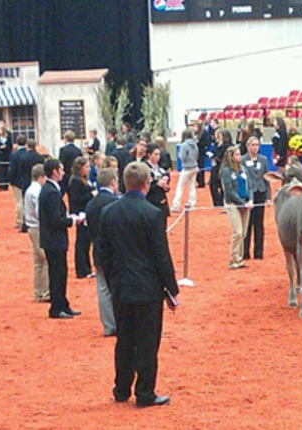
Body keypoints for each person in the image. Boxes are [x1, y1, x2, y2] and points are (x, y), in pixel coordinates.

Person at [99, 161, 179, 408]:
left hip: (121, 286)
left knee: (124, 339)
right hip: (148, 289)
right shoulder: (152, 213)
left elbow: (102, 253)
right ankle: (145, 392)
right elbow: (161, 256)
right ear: (147, 184)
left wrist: (113, 280)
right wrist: (171, 289)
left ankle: (121, 388)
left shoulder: (108, 212)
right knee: (147, 341)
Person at [39, 159, 84, 319]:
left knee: (60, 273)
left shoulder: (50, 190)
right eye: (61, 170)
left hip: (53, 239)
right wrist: (72, 220)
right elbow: (55, 220)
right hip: (54, 240)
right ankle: (57, 307)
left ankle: (62, 304)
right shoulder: (50, 192)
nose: (63, 173)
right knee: (57, 273)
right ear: (55, 171)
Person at [85, 168, 119, 337]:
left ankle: (108, 325)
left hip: (98, 251)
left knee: (103, 289)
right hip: (115, 252)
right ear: (113, 182)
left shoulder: (91, 204)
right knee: (117, 287)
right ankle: (119, 323)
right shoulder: (115, 202)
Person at [221, 146, 253, 269]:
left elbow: (249, 186)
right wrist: (241, 203)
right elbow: (229, 191)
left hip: (245, 203)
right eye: (237, 154)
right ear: (231, 157)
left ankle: (239, 258)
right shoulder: (226, 171)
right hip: (233, 204)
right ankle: (233, 259)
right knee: (238, 232)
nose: (240, 156)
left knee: (243, 233)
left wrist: (250, 200)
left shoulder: (243, 169)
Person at [242, 137, 270, 260]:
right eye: (252, 145)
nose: (255, 147)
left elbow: (267, 178)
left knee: (259, 224)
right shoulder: (242, 160)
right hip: (248, 195)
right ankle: (245, 252)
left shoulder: (263, 160)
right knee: (247, 224)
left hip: (260, 193)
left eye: (257, 145)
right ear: (248, 146)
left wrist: (268, 197)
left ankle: (259, 253)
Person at [24, 164, 50, 303]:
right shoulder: (37, 191)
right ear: (41, 177)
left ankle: (39, 291)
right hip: (38, 227)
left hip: (31, 227)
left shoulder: (30, 189)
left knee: (38, 261)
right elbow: (41, 212)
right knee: (46, 259)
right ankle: (46, 291)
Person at [68, 156, 95, 279]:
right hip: (80, 214)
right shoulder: (75, 181)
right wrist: (91, 195)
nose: (89, 169)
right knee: (82, 242)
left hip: (86, 213)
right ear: (80, 168)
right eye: (87, 166)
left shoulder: (84, 180)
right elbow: (76, 199)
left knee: (86, 241)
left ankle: (86, 267)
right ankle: (82, 269)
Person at [171, 129, 198, 213]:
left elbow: (182, 157)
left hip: (186, 168)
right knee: (192, 186)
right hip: (194, 166)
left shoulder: (184, 145)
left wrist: (180, 155)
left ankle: (176, 205)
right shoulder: (195, 144)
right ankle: (192, 203)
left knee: (180, 186)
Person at [145, 143, 170, 220]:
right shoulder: (145, 168)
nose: (158, 157)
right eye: (155, 154)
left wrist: (166, 183)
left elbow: (167, 176)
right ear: (149, 155)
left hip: (162, 201)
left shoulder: (160, 168)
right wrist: (157, 184)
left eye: (159, 154)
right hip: (151, 201)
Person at [8, 136, 28, 230]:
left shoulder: (14, 155)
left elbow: (12, 170)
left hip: (17, 181)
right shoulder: (27, 153)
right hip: (28, 181)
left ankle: (20, 221)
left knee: (19, 202)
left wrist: (11, 181)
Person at [209, 129, 232, 207]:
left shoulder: (228, 146)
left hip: (224, 167)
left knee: (223, 185)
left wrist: (217, 153)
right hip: (216, 167)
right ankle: (217, 202)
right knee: (213, 185)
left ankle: (222, 202)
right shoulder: (217, 144)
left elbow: (222, 156)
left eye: (221, 136)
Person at [58, 130, 82, 195]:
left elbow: (61, 164)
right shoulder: (78, 150)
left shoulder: (63, 150)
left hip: (66, 177)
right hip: (76, 177)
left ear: (66, 139)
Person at [196, 118, 216, 188]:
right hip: (197, 151)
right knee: (198, 166)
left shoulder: (204, 133)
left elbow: (206, 142)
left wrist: (198, 143)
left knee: (201, 166)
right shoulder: (197, 133)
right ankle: (199, 181)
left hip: (201, 151)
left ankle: (201, 182)